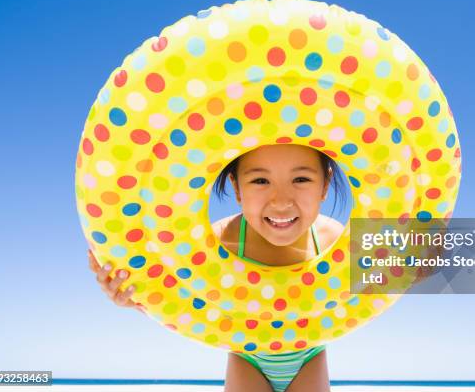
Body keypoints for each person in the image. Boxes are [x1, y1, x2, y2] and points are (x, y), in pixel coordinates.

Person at [89, 144, 349, 391]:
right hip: (248, 359)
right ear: (237, 189)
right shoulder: (220, 242)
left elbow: (382, 287)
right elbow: (173, 294)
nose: (281, 201)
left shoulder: (335, 239)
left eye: (301, 180)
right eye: (260, 181)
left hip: (308, 356)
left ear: (324, 185)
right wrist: (134, 296)